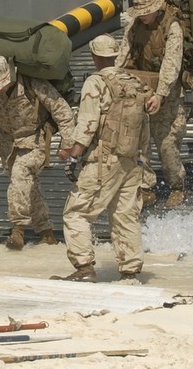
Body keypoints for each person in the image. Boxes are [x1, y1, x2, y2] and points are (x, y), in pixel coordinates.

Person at [0, 56, 76, 250]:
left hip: (34, 140)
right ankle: (46, 232)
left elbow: (62, 111)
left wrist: (68, 144)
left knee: (20, 177)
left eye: (1, 84)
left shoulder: (32, 84)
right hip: (9, 144)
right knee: (28, 186)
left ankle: (17, 230)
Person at [54, 35, 149, 283]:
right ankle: (130, 272)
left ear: (94, 56)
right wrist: (143, 160)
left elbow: (88, 123)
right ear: (115, 54)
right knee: (124, 215)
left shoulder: (96, 82)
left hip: (104, 160)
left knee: (75, 212)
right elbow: (145, 127)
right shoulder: (135, 82)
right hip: (131, 159)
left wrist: (73, 156)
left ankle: (84, 267)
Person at [115, 0, 189, 208]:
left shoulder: (172, 28)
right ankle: (146, 186)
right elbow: (123, 54)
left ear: (156, 9)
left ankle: (177, 186)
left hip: (168, 95)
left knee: (166, 143)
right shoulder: (134, 26)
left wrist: (161, 93)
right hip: (141, 90)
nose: (143, 16)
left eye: (146, 11)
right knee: (139, 142)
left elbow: (171, 64)